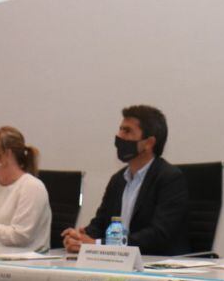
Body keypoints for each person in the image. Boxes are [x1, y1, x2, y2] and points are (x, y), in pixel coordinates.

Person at [62, 105, 189, 256]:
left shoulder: (170, 178)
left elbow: (158, 235)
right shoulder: (118, 180)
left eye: (127, 131)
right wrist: (79, 238)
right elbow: (100, 224)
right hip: (119, 263)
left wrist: (97, 244)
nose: (119, 136)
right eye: (120, 129)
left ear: (149, 143)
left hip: (156, 264)